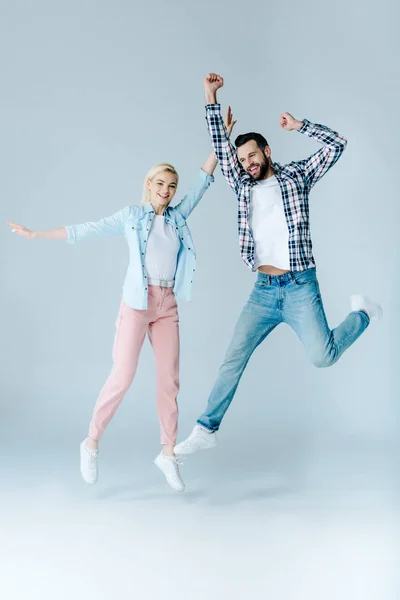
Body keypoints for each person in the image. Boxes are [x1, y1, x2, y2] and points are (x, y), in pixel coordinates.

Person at [8, 108, 235, 492]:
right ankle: (91, 441)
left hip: (166, 304)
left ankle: (167, 453)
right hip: (136, 301)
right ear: (148, 184)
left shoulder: (179, 217)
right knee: (123, 375)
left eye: (171, 186)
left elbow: (204, 179)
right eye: (160, 184)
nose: (166, 191)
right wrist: (35, 235)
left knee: (169, 381)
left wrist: (222, 140)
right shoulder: (131, 216)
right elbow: (84, 230)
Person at [175, 73, 382, 457]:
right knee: (233, 357)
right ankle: (206, 428)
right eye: (242, 159)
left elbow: (338, 144)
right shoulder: (241, 185)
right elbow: (221, 149)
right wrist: (210, 96)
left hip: (301, 285)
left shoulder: (297, 177)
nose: (247, 163)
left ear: (267, 151)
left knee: (324, 357)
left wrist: (300, 125)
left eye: (252, 155)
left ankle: (364, 314)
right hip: (263, 291)